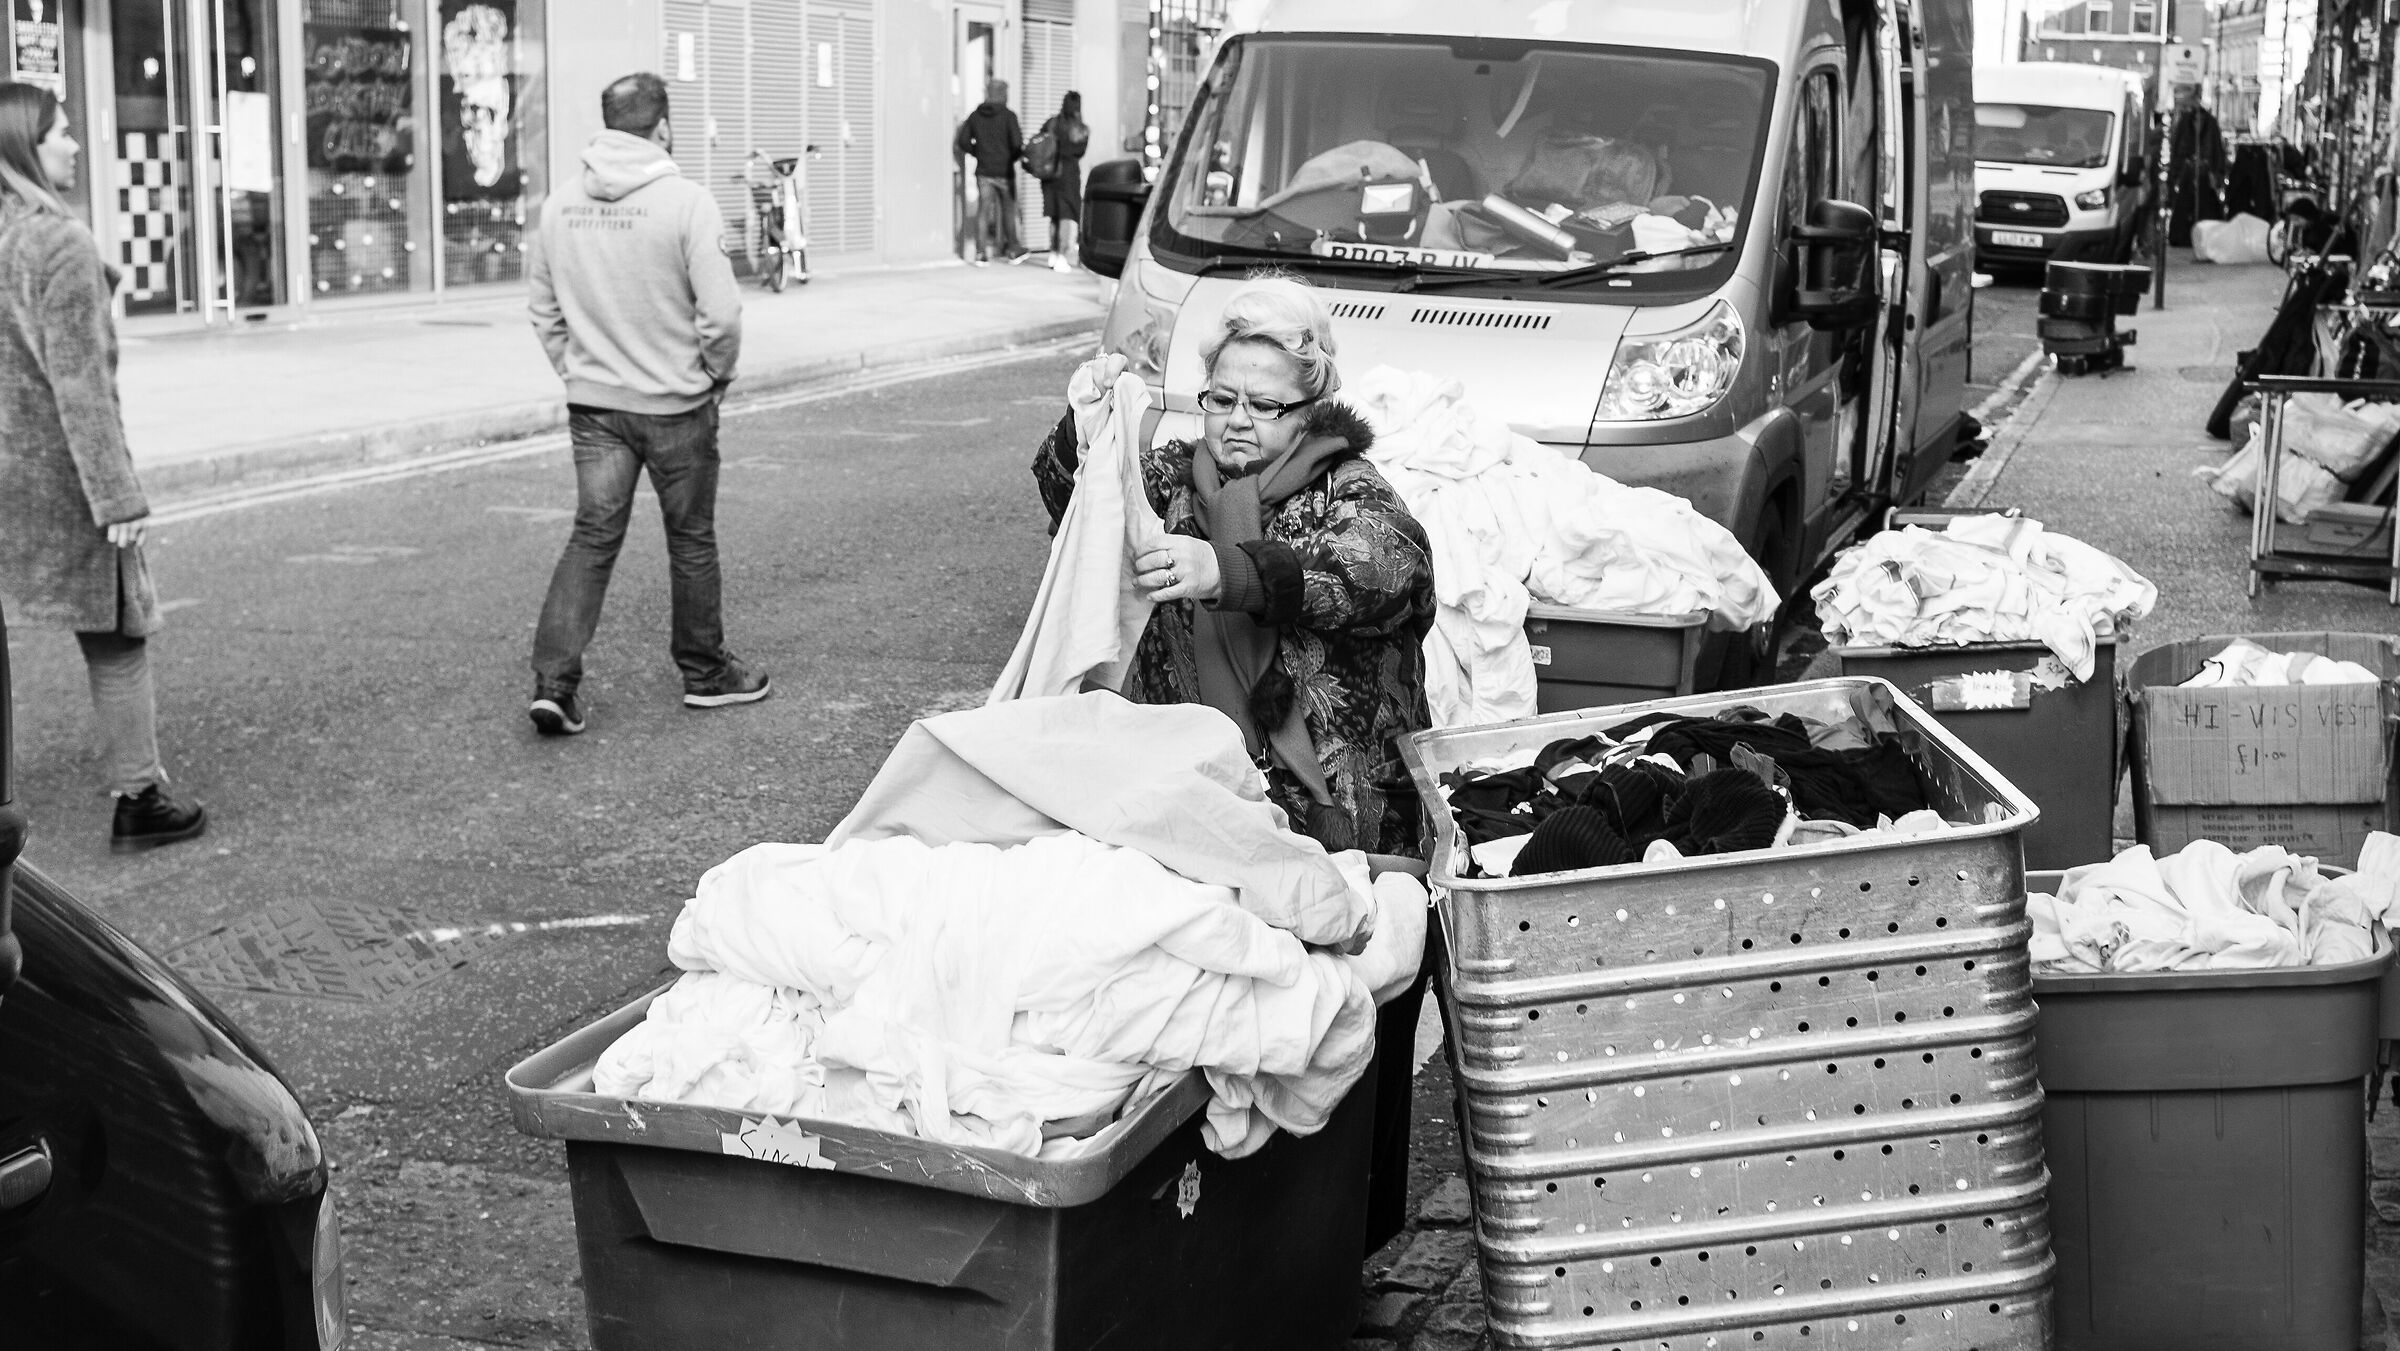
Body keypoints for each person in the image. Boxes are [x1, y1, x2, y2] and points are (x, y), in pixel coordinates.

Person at [1031, 276, 1437, 857]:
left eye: (1264, 405)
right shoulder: (1171, 479)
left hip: (1337, 820)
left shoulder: (1350, 491)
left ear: (1311, 411)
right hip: (1183, 802)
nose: (1237, 421)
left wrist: (1225, 572)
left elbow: (1378, 571)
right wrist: (1086, 435)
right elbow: (1079, 514)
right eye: (1221, 401)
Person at [525, 72, 767, 737]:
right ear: (662, 126)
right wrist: (715, 376)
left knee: (592, 534)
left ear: (606, 126)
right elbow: (721, 315)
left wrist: (579, 372)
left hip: (594, 406)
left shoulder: (559, 206)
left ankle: (555, 683)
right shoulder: (687, 203)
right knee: (691, 537)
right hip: (677, 405)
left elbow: (544, 313)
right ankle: (705, 672)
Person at [0, 83, 205, 852]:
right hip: (59, 480)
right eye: (61, 133)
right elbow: (80, 385)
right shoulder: (57, 244)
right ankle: (140, 796)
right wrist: (119, 497)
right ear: (27, 146)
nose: (75, 145)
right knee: (120, 634)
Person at [955, 78, 1026, 266]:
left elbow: (962, 142)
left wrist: (978, 153)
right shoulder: (1009, 116)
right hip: (1004, 171)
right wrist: (1014, 157)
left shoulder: (975, 116)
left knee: (983, 211)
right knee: (1009, 211)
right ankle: (1012, 249)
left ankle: (980, 253)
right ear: (1003, 94)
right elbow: (1017, 144)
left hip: (984, 171)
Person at [1036, 91, 1090, 272]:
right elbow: (1080, 152)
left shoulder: (1052, 123)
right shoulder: (1080, 129)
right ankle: (1062, 255)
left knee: (1054, 215)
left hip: (1050, 175)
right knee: (1068, 216)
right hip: (1068, 175)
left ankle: (1053, 253)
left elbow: (1040, 142)